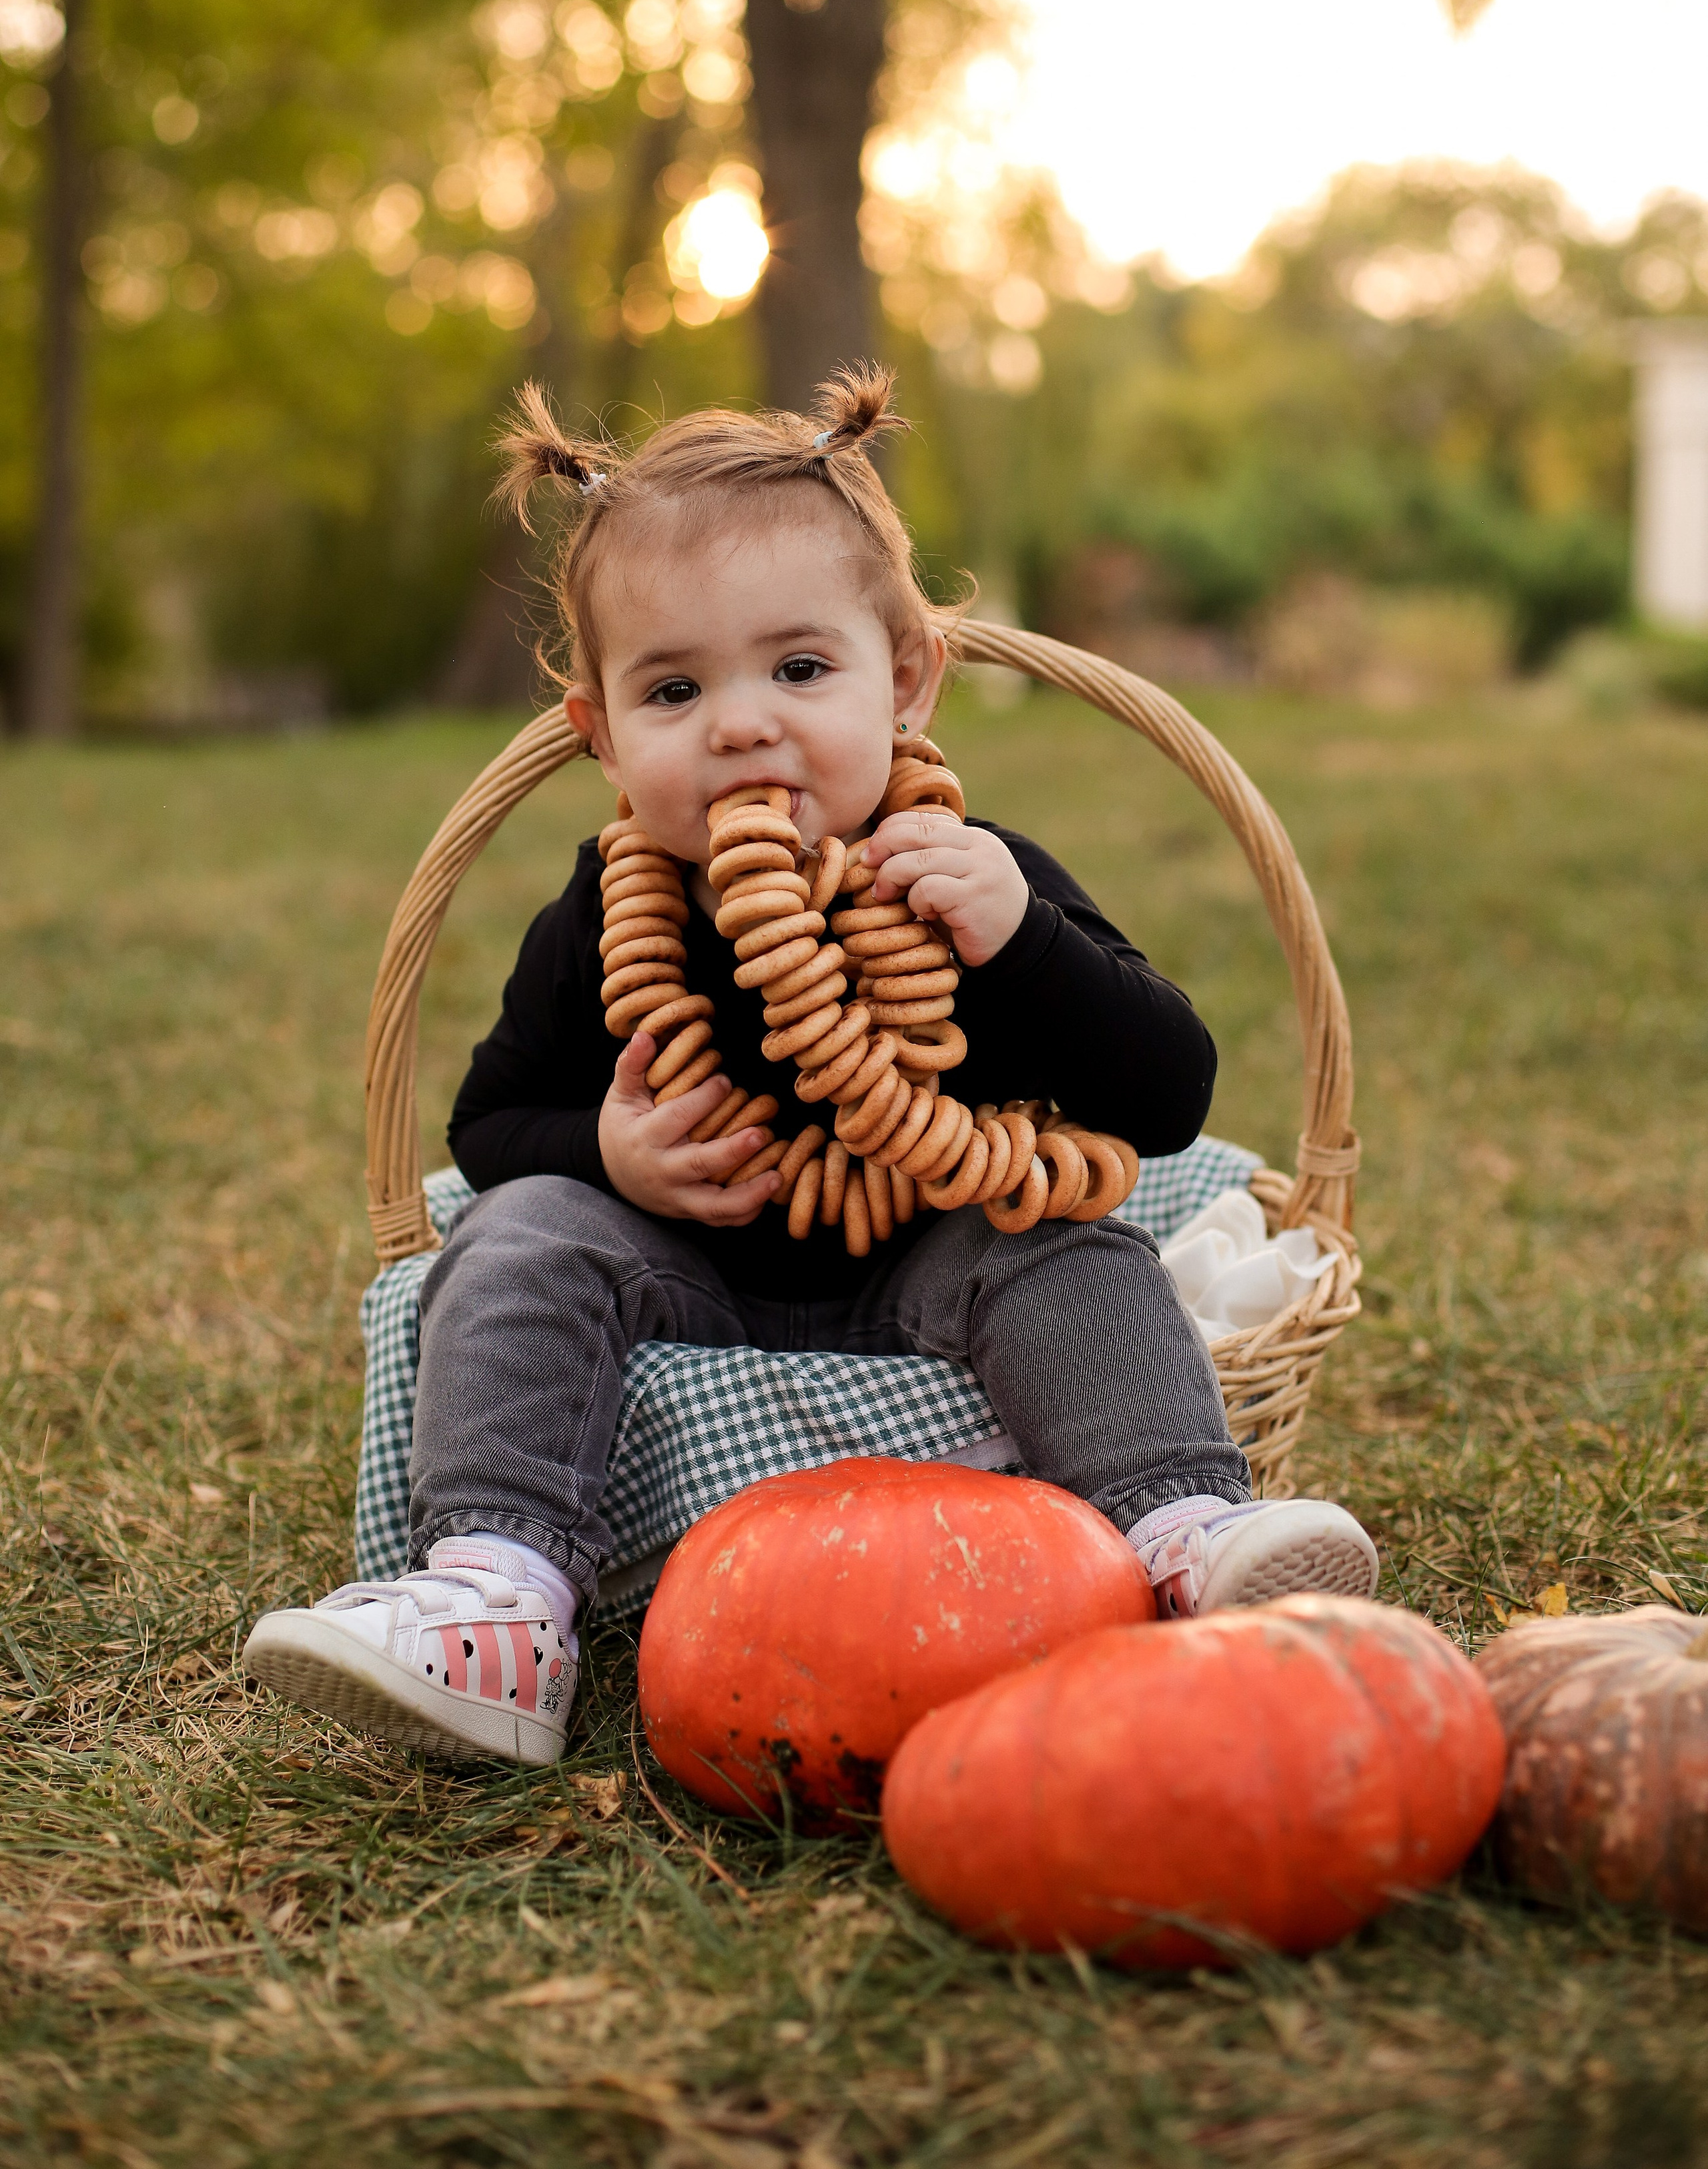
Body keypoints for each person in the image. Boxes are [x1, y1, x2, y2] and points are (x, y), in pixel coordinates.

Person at [245, 368, 1376, 1766]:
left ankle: (1178, 1528)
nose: (739, 723)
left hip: (933, 1263)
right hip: (683, 1284)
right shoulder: (609, 913)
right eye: (673, 687)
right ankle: (497, 1598)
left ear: (903, 679)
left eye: (797, 668)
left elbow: (1166, 1098)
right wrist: (605, 1155)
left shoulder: (980, 883)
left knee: (1070, 1245)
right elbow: (486, 1126)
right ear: (597, 730)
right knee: (515, 1237)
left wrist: (1020, 943)